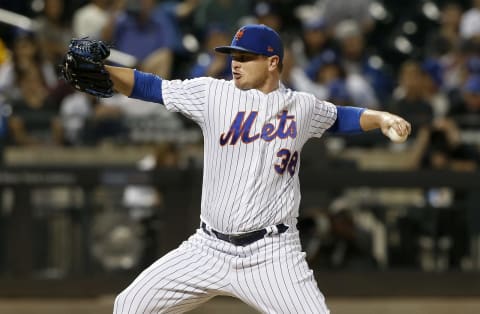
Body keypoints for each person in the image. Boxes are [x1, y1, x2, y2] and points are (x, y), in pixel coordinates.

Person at [66, 24, 411, 313]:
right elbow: (151, 87)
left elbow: (340, 118)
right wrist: (106, 72)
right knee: (129, 306)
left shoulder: (301, 107)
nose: (235, 63)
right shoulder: (213, 94)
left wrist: (381, 117)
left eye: (245, 57)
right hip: (207, 248)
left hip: (272, 253)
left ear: (272, 62)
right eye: (233, 55)